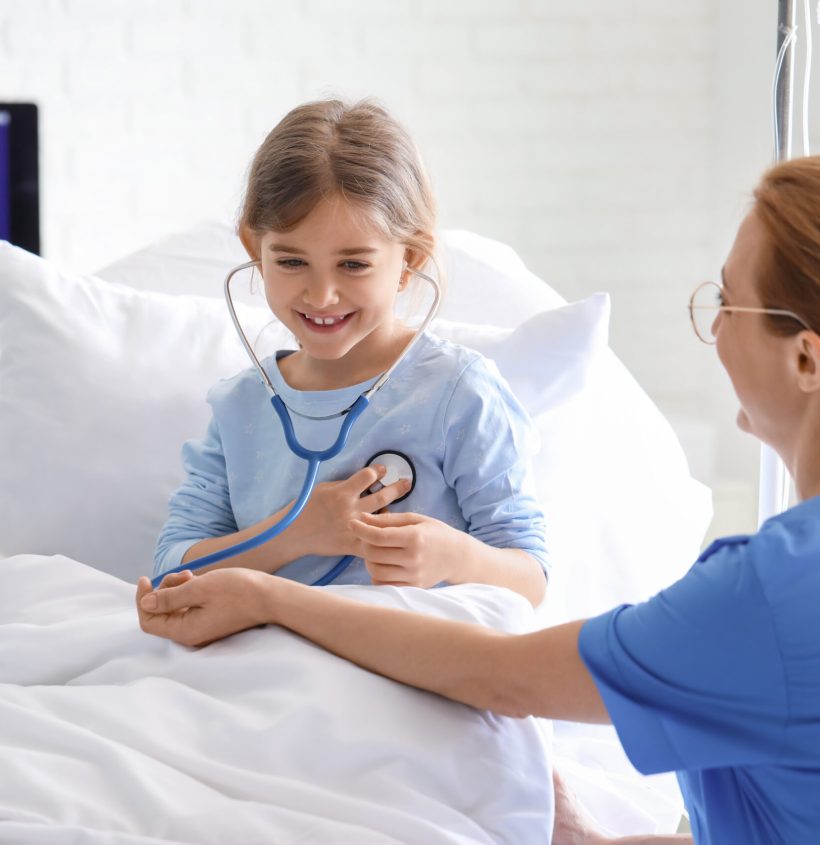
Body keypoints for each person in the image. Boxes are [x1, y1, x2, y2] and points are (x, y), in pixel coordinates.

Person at [138, 155, 820, 844]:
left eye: (727, 302)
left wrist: (274, 595)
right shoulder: (240, 406)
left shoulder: (766, 594)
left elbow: (502, 673)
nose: (714, 329)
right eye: (291, 260)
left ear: (805, 359)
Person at [152, 98, 549, 606]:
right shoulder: (241, 406)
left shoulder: (458, 391)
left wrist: (456, 558)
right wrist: (294, 533)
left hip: (402, 664)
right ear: (255, 249)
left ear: (411, 259)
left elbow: (531, 578)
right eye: (292, 260)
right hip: (265, 662)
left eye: (354, 265)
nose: (321, 296)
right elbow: (170, 572)